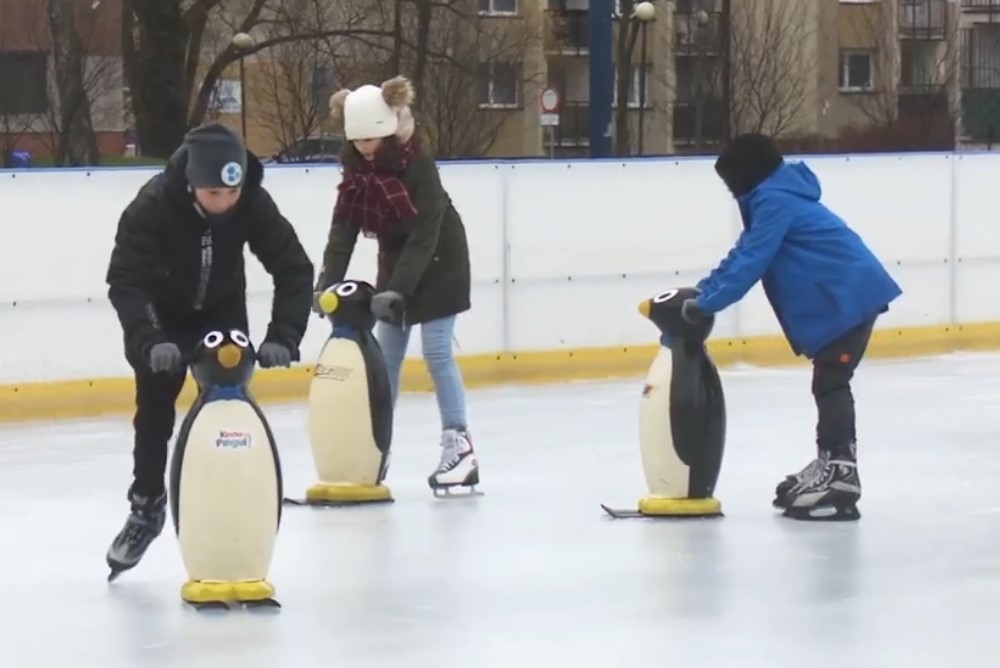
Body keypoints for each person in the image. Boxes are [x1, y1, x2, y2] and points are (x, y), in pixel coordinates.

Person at [104, 123, 314, 576]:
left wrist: (283, 335)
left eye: (231, 194)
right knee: (155, 412)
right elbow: (125, 279)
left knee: (229, 408)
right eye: (214, 194)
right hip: (163, 319)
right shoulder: (153, 205)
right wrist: (150, 339)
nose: (224, 204)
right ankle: (146, 507)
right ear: (192, 183)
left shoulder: (251, 201)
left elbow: (293, 268)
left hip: (221, 314)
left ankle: (237, 503)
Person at [680, 133, 902, 520]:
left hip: (849, 296)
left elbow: (753, 261)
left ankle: (840, 471)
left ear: (747, 174)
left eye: (730, 180)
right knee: (827, 379)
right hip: (844, 297)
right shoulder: (774, 197)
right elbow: (742, 253)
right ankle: (830, 462)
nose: (730, 190)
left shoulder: (774, 200)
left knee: (832, 379)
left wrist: (706, 305)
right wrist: (703, 291)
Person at [316, 75, 477, 494]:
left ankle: (459, 447)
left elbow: (426, 233)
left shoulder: (417, 162)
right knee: (385, 358)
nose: (367, 149)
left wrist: (398, 290)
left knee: (437, 351)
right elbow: (343, 229)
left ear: (388, 131)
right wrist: (325, 284)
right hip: (397, 263)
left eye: (373, 140)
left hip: (441, 260)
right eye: (359, 142)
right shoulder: (356, 171)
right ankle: (375, 446)